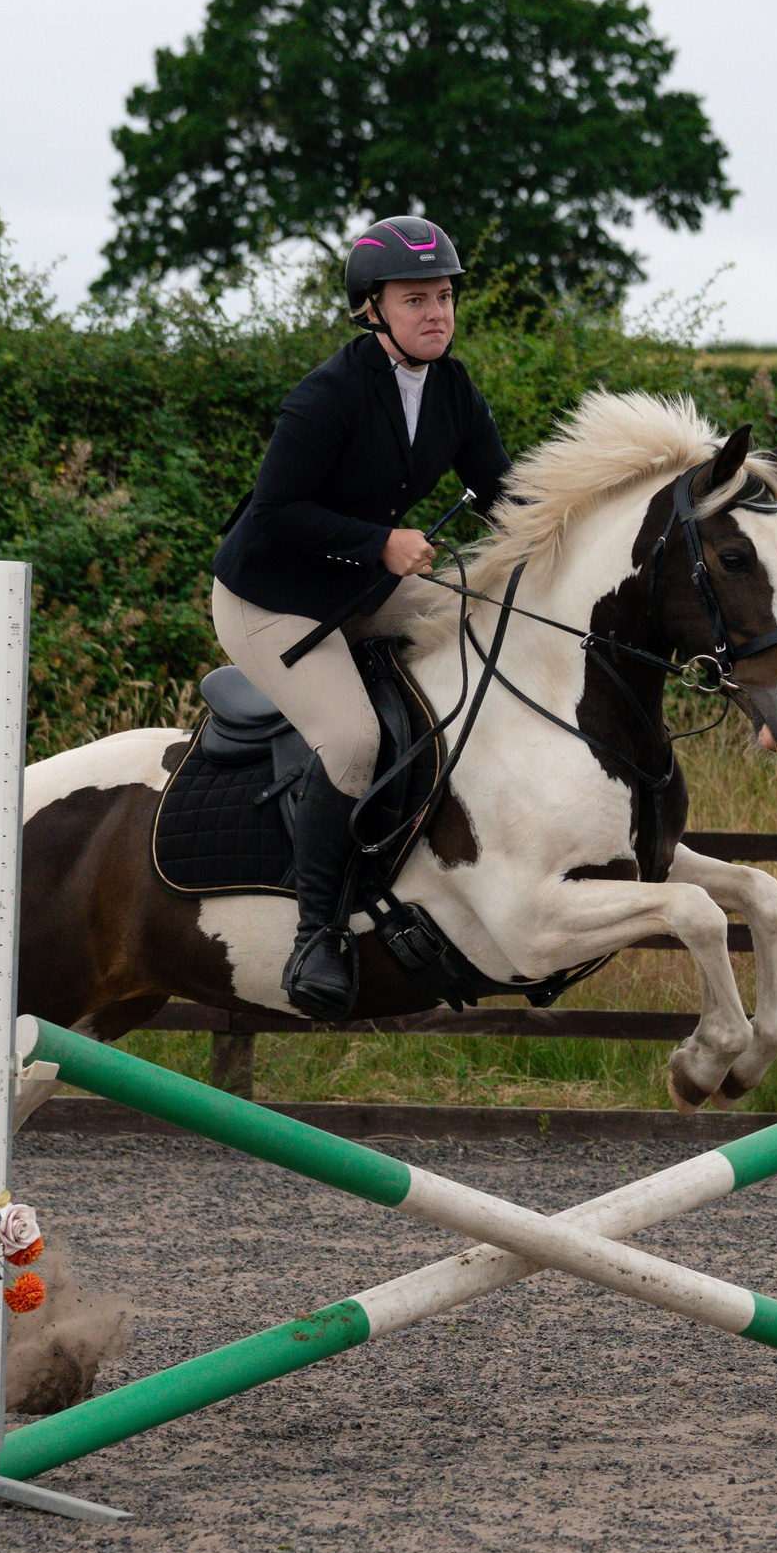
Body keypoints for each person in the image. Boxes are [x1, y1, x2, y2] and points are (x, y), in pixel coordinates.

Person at [210, 215, 512, 1019]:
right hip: (270, 598)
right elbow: (274, 512)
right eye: (416, 299)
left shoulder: (452, 389)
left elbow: (505, 494)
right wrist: (380, 543)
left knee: (487, 627)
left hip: (361, 585)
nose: (437, 314)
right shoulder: (327, 396)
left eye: (444, 296)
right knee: (351, 740)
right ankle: (315, 935)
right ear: (370, 310)